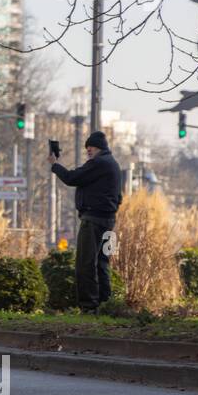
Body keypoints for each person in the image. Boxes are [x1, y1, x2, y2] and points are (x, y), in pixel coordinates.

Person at [50, 131, 123, 313]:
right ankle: (106, 303)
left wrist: (55, 165)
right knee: (101, 263)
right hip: (108, 222)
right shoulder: (113, 164)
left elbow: (72, 178)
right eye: (87, 147)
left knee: (85, 263)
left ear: (99, 147)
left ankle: (88, 306)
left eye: (91, 147)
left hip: (93, 221)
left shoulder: (99, 163)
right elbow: (119, 197)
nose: (88, 150)